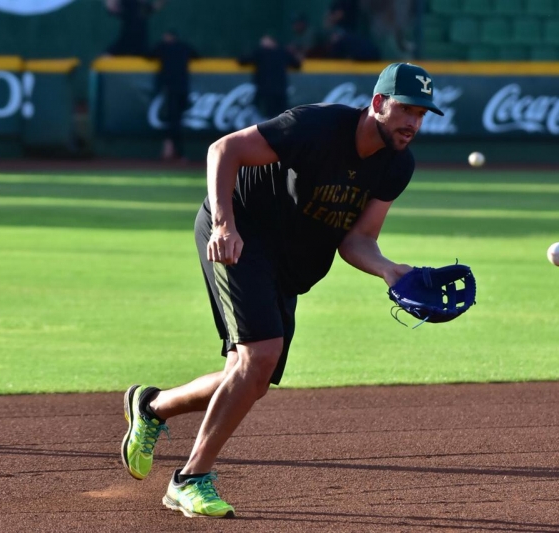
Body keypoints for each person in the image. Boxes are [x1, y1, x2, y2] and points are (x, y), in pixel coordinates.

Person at [120, 62, 444, 518]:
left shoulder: (397, 165)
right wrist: (223, 225)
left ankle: (152, 406)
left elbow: (357, 240)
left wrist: (391, 271)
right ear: (378, 103)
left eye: (422, 114)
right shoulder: (315, 125)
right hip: (241, 233)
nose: (414, 123)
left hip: (292, 260)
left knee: (251, 379)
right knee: (260, 356)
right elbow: (223, 149)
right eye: (407, 109)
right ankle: (189, 479)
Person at [148, 29, 199, 161]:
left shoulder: (163, 47)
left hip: (171, 89)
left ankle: (172, 150)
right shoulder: (184, 47)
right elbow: (197, 56)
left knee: (173, 121)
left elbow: (149, 55)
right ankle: (172, 149)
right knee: (176, 121)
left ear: (167, 37)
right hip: (183, 89)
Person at [237, 34, 302, 120]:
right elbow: (243, 61)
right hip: (274, 90)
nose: (263, 43)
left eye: (266, 40)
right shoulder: (271, 52)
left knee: (276, 116)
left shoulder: (268, 52)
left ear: (273, 42)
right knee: (277, 116)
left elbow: (296, 64)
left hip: (271, 91)